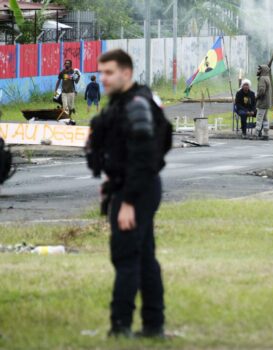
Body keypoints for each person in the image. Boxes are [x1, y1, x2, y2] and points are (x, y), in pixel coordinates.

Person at [86, 49, 172, 339]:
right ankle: (153, 325)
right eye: (101, 72)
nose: (103, 78)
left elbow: (144, 156)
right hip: (133, 186)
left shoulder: (136, 104)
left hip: (137, 189)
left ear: (126, 73)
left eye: (109, 72)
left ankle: (120, 327)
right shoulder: (124, 103)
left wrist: (129, 202)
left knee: (125, 257)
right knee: (144, 256)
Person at [255, 65, 273, 141]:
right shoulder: (267, 78)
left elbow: (262, 90)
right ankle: (266, 134)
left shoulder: (262, 78)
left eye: (259, 69)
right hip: (267, 102)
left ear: (263, 71)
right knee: (265, 118)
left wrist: (257, 97)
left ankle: (256, 133)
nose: (258, 71)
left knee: (259, 117)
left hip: (262, 101)